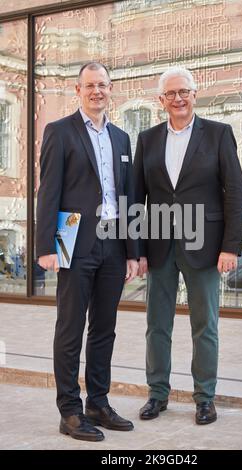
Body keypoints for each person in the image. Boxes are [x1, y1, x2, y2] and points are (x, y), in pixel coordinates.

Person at [134, 66, 242, 425]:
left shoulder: (218, 134)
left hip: (207, 247)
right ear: (161, 101)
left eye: (184, 92)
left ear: (195, 95)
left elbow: (235, 193)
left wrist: (230, 246)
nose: (178, 99)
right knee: (157, 325)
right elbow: (137, 199)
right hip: (159, 247)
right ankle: (157, 394)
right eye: (171, 94)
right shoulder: (147, 139)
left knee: (205, 325)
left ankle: (204, 398)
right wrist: (135, 251)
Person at [36, 62, 138, 442]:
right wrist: (46, 246)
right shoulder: (60, 132)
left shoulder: (122, 137)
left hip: (113, 241)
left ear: (111, 89)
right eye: (90, 85)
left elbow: (126, 197)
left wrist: (132, 250)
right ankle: (70, 411)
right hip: (72, 238)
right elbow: (49, 190)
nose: (97, 91)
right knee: (70, 327)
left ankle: (98, 401)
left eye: (103, 85)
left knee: (104, 328)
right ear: (77, 90)